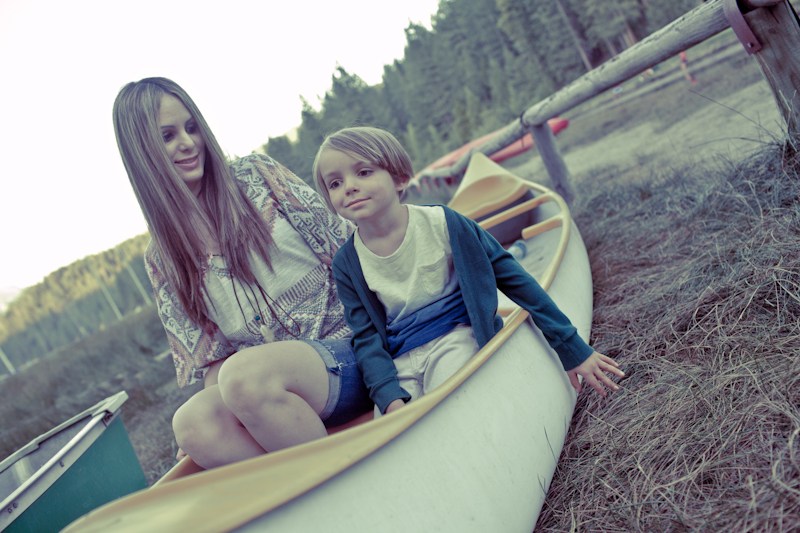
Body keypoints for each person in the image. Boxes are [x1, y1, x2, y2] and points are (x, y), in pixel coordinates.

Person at [112, 78, 373, 469]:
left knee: (245, 376)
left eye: (191, 127)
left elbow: (348, 251)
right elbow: (216, 361)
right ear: (141, 152)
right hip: (268, 397)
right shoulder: (162, 259)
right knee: (192, 422)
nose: (188, 142)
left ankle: (338, 477)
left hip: (352, 356)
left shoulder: (257, 176)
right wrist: (215, 413)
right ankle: (301, 484)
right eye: (168, 136)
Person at [312, 127, 625, 416]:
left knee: (454, 408)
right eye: (335, 183)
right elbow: (366, 336)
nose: (349, 187)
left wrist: (572, 348)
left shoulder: (443, 224)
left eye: (363, 172)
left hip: (456, 337)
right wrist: (388, 398)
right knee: (391, 423)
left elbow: (515, 280)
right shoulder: (347, 263)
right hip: (401, 359)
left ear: (399, 179)